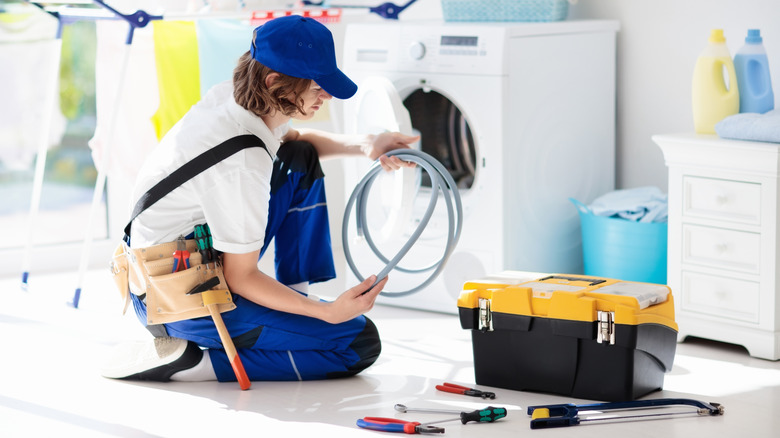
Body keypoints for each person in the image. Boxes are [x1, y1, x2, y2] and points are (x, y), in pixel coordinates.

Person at [102, 15, 418, 383]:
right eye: (317, 86)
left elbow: (294, 138)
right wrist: (327, 313)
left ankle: (293, 299)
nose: (326, 95)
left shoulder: (234, 98)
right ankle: (194, 363)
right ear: (275, 82)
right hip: (173, 299)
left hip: (174, 258)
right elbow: (241, 276)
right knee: (357, 343)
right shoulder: (242, 164)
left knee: (298, 157)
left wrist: (366, 144)